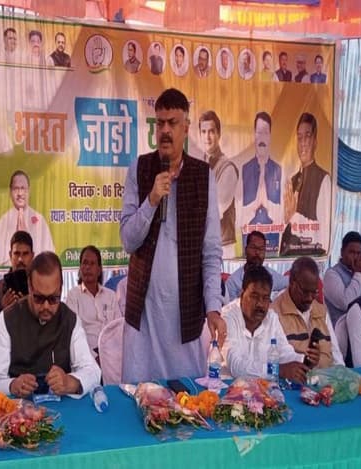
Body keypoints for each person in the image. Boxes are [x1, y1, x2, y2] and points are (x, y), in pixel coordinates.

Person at [120, 88, 224, 383]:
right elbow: (128, 240)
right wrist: (152, 199)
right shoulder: (139, 169)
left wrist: (213, 308)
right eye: (160, 123)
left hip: (185, 319)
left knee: (186, 400)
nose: (165, 130)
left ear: (186, 128)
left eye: (173, 123)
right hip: (144, 322)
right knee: (139, 398)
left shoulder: (203, 176)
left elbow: (211, 251)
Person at [0, 252, 101, 397]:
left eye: (53, 299)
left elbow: (93, 372)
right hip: (17, 407)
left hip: (60, 405)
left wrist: (70, 382)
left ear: (61, 289)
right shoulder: (7, 319)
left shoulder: (69, 320)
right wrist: (12, 385)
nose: (46, 306)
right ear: (29, 287)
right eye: (39, 298)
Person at [225, 266, 309, 383]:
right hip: (226, 389)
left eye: (265, 298)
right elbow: (236, 366)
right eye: (254, 297)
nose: (260, 304)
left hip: (263, 390)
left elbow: (285, 353)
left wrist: (306, 360)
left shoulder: (271, 318)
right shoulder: (228, 317)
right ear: (242, 294)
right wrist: (277, 370)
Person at [272, 257, 343, 368]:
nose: (310, 298)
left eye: (314, 292)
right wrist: (307, 361)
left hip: (327, 377)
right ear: (292, 282)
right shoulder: (274, 313)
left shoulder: (321, 310)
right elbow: (274, 360)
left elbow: (336, 356)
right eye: (305, 292)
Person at [281, 112, 331, 254]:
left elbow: (323, 235)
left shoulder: (323, 179)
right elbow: (285, 225)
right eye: (299, 137)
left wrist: (294, 216)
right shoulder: (292, 180)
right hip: (288, 255)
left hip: (310, 257)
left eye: (307, 136)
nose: (303, 143)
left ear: (315, 141)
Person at [0, 231, 34, 351]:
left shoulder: (39, 288)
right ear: (10, 255)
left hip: (35, 356)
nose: (20, 259)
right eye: (16, 253)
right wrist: (4, 313)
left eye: (25, 254)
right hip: (6, 356)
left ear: (32, 256)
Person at [0, 170, 55, 266]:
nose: (20, 193)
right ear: (10, 192)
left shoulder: (40, 220)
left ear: (29, 191)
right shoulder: (3, 222)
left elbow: (50, 258)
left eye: (23, 188)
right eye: (16, 189)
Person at [65, 246, 121, 356]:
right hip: (85, 356)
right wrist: (94, 357)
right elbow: (73, 333)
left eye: (92, 263)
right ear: (80, 268)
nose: (88, 267)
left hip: (111, 354)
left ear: (99, 270)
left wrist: (108, 355)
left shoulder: (111, 296)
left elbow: (118, 329)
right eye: (85, 263)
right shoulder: (73, 296)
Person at [198, 111, 238, 258]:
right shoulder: (199, 166)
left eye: (211, 131)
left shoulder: (228, 168)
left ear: (219, 134)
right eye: (203, 132)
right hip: (203, 244)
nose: (207, 137)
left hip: (223, 247)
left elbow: (217, 209)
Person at [240, 112, 283, 245]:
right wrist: (254, 207)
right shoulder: (244, 169)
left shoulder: (279, 170)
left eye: (265, 133)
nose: (262, 138)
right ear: (254, 135)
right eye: (259, 132)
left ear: (270, 136)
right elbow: (238, 215)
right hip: (248, 242)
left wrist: (267, 205)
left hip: (272, 241)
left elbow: (282, 216)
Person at [225, 231, 288, 303]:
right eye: (253, 248)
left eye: (261, 249)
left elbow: (289, 282)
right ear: (246, 250)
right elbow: (231, 307)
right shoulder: (233, 282)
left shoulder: (270, 274)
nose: (257, 252)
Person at [323, 231, 361, 326]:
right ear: (342, 252)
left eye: (358, 253)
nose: (355, 257)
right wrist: (358, 274)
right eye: (352, 252)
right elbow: (347, 303)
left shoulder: (360, 274)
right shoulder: (332, 274)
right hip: (339, 332)